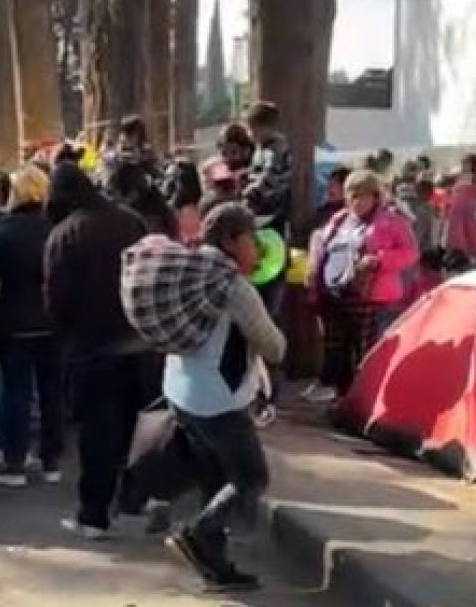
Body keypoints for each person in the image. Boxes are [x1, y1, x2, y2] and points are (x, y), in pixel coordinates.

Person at [160, 202, 286, 591]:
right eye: (251, 238)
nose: (258, 248)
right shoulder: (233, 286)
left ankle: (216, 566)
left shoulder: (190, 267)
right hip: (218, 398)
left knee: (215, 479)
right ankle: (199, 536)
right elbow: (274, 346)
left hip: (180, 388)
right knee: (251, 477)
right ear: (231, 240)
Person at [44, 163, 152, 539]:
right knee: (130, 429)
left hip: (90, 347)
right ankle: (131, 500)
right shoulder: (131, 222)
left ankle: (93, 513)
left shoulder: (65, 233)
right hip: (137, 342)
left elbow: (57, 298)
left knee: (96, 434)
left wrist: (65, 336)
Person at [0, 165, 62, 487]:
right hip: (53, 323)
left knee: (16, 393)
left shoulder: (5, 230)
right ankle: (51, 461)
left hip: (14, 323)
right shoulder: (55, 228)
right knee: (52, 394)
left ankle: (15, 463)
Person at [305, 169, 418, 398]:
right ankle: (342, 395)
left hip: (370, 297)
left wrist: (379, 260)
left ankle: (366, 397)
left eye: (362, 195)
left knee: (366, 350)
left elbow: (410, 253)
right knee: (338, 348)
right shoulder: (339, 220)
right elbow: (323, 249)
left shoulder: (392, 221)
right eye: (352, 195)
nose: (356, 201)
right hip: (336, 295)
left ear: (375, 196)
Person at [243, 102, 291, 232]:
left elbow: (269, 177)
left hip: (272, 206)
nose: (249, 134)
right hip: (261, 203)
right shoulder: (261, 148)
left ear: (264, 128)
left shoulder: (275, 149)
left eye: (251, 129)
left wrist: (248, 193)